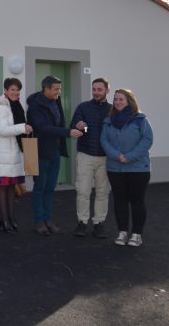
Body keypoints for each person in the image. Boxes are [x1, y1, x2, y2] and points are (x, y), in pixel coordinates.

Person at [26, 75, 83, 236]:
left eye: (59, 88)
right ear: (46, 89)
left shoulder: (55, 101)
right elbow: (42, 127)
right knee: (40, 188)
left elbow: (59, 124)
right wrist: (67, 132)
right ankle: (39, 221)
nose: (59, 92)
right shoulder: (35, 106)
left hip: (55, 151)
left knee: (50, 188)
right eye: (56, 89)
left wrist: (77, 128)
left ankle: (48, 220)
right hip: (41, 152)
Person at [100, 89, 153, 247]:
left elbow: (147, 140)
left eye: (121, 99)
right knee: (120, 201)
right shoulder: (108, 121)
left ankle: (136, 234)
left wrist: (129, 157)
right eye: (115, 99)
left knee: (137, 201)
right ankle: (122, 232)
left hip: (138, 168)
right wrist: (117, 156)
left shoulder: (140, 120)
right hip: (115, 168)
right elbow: (104, 141)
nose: (117, 102)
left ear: (129, 100)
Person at [0, 78, 33, 233]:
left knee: (12, 187)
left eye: (18, 89)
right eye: (12, 89)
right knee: (3, 186)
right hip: (4, 152)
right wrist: (22, 127)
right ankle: (4, 220)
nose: (15, 92)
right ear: (6, 90)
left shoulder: (16, 105)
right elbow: (1, 130)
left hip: (14, 152)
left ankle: (10, 218)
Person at [71, 77, 113, 238]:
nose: (96, 92)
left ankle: (99, 223)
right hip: (85, 155)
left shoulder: (112, 110)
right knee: (83, 191)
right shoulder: (83, 107)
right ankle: (82, 222)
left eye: (99, 89)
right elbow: (76, 128)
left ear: (107, 90)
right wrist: (81, 127)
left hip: (105, 158)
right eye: (94, 89)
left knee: (103, 192)